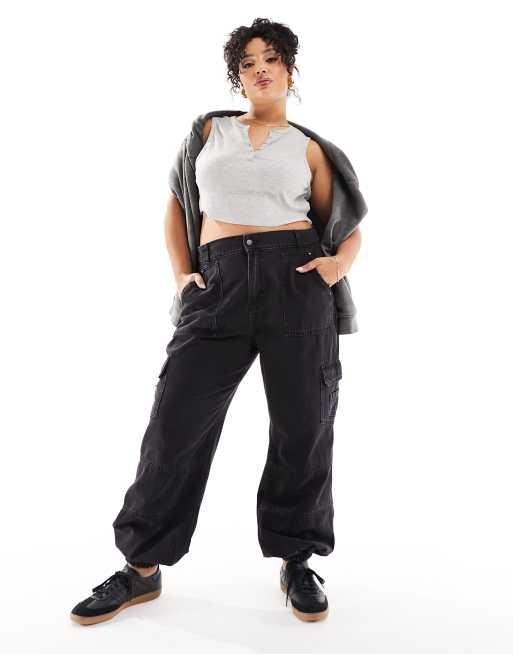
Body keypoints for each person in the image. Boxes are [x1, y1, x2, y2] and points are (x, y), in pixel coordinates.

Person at [70, 18, 366, 626]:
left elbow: (346, 224)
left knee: (303, 426)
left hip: (294, 283)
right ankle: (141, 569)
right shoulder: (209, 131)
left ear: (290, 69)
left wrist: (336, 265)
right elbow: (178, 206)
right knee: (174, 422)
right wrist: (183, 277)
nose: (260, 69)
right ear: (237, 76)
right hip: (218, 284)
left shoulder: (309, 148)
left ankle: (297, 559)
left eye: (271, 59)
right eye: (248, 62)